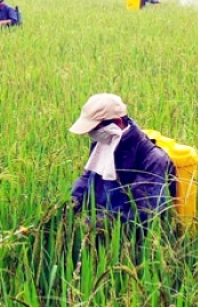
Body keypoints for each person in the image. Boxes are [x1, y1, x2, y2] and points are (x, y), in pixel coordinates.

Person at [69, 93, 176, 233]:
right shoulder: (101, 144)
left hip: (128, 240)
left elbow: (143, 214)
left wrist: (92, 226)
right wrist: (66, 207)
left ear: (118, 123)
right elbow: (87, 179)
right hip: (97, 228)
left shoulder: (153, 159)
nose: (92, 133)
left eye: (95, 129)